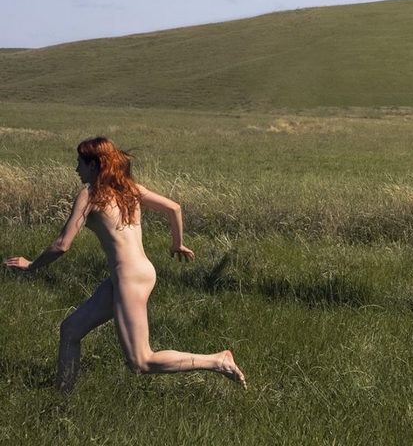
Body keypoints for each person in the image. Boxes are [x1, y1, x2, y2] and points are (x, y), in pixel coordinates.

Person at [4, 135, 246, 391]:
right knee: (70, 329)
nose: (76, 169)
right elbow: (174, 208)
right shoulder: (129, 189)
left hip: (130, 279)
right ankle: (62, 396)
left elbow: (62, 245)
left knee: (141, 362)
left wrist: (31, 265)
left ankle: (218, 361)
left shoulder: (89, 194)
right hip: (136, 274)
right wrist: (176, 243)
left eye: (80, 163)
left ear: (94, 165)